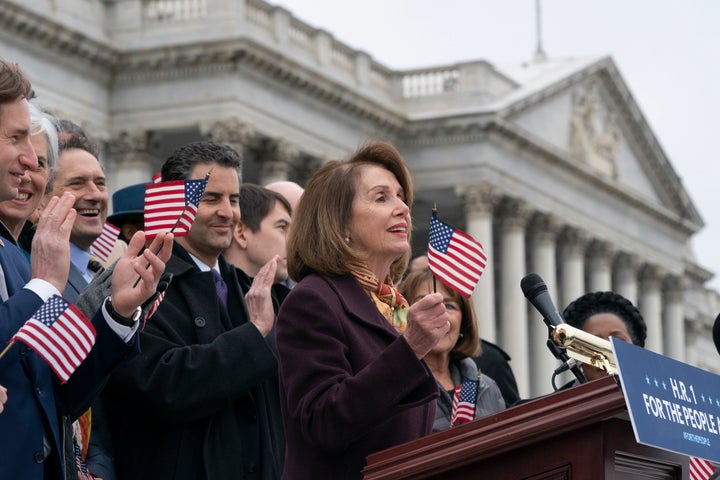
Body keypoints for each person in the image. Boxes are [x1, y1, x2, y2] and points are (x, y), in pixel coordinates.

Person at [99, 141, 285, 480]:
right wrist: (253, 335)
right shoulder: (140, 285)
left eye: (234, 199)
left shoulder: (250, 290)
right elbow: (160, 386)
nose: (227, 212)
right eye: (211, 198)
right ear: (174, 204)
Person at [276, 141, 451, 479]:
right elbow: (323, 421)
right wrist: (411, 346)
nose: (402, 207)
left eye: (401, 196)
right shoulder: (313, 300)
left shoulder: (394, 307)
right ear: (340, 224)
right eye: (381, 197)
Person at [399, 268, 505, 431]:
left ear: (463, 321)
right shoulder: (397, 388)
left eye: (449, 306)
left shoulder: (487, 388)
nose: (439, 314)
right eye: (424, 304)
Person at [43, 133, 108, 301]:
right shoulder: (34, 274)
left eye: (100, 183)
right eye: (77, 183)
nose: (95, 195)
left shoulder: (105, 271)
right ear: (43, 197)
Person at [224, 183, 292, 308]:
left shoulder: (288, 305)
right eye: (282, 227)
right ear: (241, 233)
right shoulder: (215, 299)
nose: (293, 241)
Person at [0, 102, 57, 252]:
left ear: (49, 177)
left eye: (38, 164)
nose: (24, 176)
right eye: (15, 158)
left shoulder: (42, 256)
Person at [561, 291, 647, 382]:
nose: (606, 354)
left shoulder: (659, 393)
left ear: (637, 352)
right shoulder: (562, 397)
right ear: (577, 357)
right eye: (593, 344)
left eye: (617, 341)